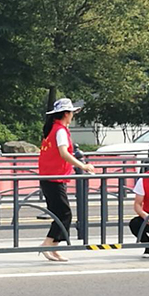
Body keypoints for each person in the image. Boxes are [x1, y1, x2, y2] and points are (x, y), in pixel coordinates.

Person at [37, 98, 95, 262]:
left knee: (60, 214)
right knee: (64, 214)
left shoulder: (54, 129)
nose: (73, 116)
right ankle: (47, 244)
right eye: (72, 113)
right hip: (53, 178)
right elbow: (64, 153)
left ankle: (53, 247)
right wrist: (83, 166)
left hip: (51, 177)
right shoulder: (60, 131)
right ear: (66, 114)